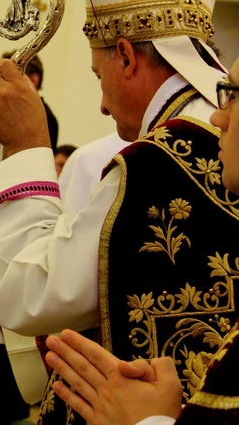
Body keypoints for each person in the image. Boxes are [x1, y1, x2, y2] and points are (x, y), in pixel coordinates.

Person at [0, 0, 233, 422]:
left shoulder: (156, 163)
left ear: (125, 56)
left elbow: (34, 292)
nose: (102, 106)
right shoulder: (224, 131)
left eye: (97, 76)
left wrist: (24, 146)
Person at [43, 57, 239, 425]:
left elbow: (41, 295)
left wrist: (149, 421)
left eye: (233, 96)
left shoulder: (147, 161)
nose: (217, 117)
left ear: (126, 57)